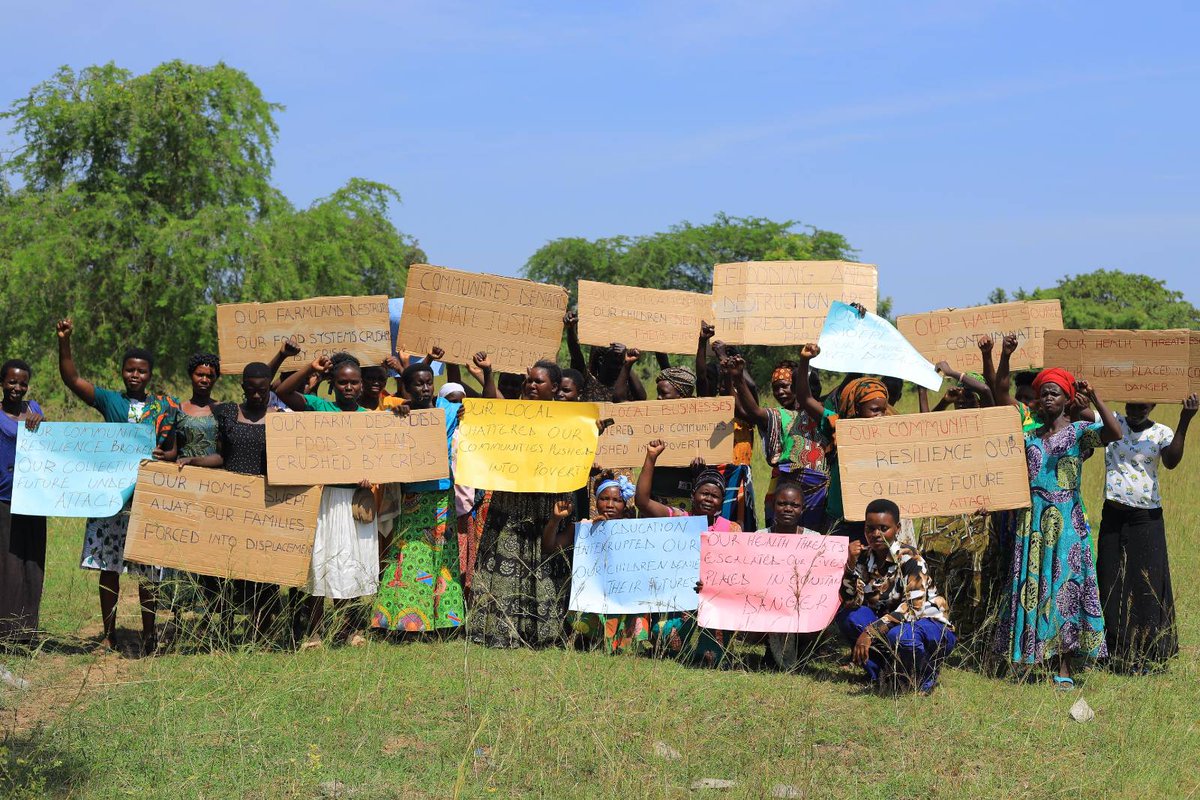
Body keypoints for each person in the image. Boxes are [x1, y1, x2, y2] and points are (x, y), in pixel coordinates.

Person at [56, 318, 178, 655]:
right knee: (108, 567)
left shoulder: (164, 407)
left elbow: (176, 447)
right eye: (130, 370)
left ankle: (149, 635)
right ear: (122, 372)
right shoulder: (110, 401)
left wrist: (165, 455)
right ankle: (109, 635)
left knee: (148, 571)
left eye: (141, 371)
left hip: (148, 498)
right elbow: (72, 379)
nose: (135, 375)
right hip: (111, 497)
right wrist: (64, 341)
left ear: (150, 374)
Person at [994, 369, 1121, 688]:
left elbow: (1115, 433)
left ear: (1067, 399)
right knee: (1032, 585)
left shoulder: (1079, 432)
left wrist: (1094, 398)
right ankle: (1027, 658)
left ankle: (1064, 667)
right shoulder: (1030, 436)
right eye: (1044, 393)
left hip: (1067, 521)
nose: (1049, 397)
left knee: (1066, 587)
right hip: (1032, 519)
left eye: (1055, 392)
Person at [468, 360, 578, 648]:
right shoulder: (513, 412)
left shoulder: (570, 421)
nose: (531, 385)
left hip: (546, 504)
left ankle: (541, 631)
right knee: (506, 556)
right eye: (529, 380)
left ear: (555, 387)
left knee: (543, 559)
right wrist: (488, 374)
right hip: (511, 502)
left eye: (538, 381)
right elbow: (491, 406)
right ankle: (500, 630)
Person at [276, 354, 379, 648]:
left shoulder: (371, 419)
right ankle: (315, 633)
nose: (348, 387)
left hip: (356, 500)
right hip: (326, 498)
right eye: (342, 382)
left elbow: (381, 458)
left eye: (354, 382)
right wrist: (311, 369)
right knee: (322, 563)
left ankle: (350, 630)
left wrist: (372, 475)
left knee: (353, 563)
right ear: (333, 384)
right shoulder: (320, 408)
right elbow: (282, 392)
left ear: (361, 385)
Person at [178, 362, 284, 638]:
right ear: (243, 387)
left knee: (261, 566)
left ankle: (261, 629)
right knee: (227, 566)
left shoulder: (280, 418)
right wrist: (194, 460)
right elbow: (221, 456)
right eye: (252, 389)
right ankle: (224, 626)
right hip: (231, 502)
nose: (257, 395)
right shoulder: (227, 413)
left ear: (269, 389)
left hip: (264, 504)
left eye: (263, 390)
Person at [1097, 393, 1196, 673]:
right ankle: (1114, 649)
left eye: (1143, 405)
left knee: (1146, 583)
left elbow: (1171, 461)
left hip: (1146, 518)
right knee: (1110, 578)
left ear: (1153, 405)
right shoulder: (1113, 422)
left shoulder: (1161, 432)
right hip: (1113, 515)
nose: (1135, 410)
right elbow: (1084, 413)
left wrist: (1185, 419)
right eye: (1131, 403)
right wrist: (1090, 394)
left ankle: (1148, 651)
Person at [372, 358, 466, 634]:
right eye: (418, 384)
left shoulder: (449, 409)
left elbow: (483, 409)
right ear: (406, 387)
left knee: (442, 554)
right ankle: (405, 620)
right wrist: (399, 413)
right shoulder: (399, 412)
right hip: (412, 495)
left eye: (429, 383)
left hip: (442, 495)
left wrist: (468, 410)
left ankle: (444, 621)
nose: (425, 388)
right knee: (411, 553)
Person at [635, 438, 741, 666]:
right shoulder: (678, 518)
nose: (708, 499)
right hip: (679, 597)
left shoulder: (731, 529)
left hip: (714, 599)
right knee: (663, 639)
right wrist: (651, 457)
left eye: (715, 495)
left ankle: (709, 645)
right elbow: (642, 502)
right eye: (704, 493)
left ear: (722, 501)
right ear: (693, 495)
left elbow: (737, 571)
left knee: (710, 659)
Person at [837, 498, 956, 694]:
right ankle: (883, 675)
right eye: (870, 528)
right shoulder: (864, 558)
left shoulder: (911, 559)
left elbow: (913, 609)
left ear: (897, 528)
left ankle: (923, 677)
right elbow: (850, 602)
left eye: (883, 528)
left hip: (927, 626)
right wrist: (850, 565)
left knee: (901, 636)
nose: (876, 534)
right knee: (848, 617)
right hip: (891, 625)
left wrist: (870, 632)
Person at [544, 475, 650, 653]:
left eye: (617, 500)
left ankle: (625, 643)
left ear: (624, 505)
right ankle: (592, 639)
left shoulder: (634, 530)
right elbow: (549, 547)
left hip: (626, 595)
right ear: (596, 501)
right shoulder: (583, 527)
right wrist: (555, 520)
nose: (610, 504)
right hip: (594, 594)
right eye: (604, 498)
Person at [726, 354, 831, 531]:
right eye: (776, 388)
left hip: (818, 490)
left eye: (785, 386)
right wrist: (737, 378)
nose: (780, 392)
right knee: (780, 534)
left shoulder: (825, 414)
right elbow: (752, 411)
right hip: (786, 483)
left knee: (814, 536)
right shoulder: (780, 415)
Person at [0, 360, 47, 643]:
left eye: (22, 383)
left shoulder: (34, 409)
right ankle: (7, 631)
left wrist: (43, 423)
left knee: (33, 562)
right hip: (4, 498)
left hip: (34, 497)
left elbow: (50, 443)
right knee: (9, 564)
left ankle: (27, 629)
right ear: (2, 383)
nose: (17, 388)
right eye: (12, 382)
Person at [760, 481, 825, 670]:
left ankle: (804, 649)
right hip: (768, 605)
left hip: (803, 605)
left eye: (794, 505)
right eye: (782, 503)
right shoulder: (759, 538)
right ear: (773, 506)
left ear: (802, 509)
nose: (788, 509)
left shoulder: (815, 540)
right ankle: (773, 650)